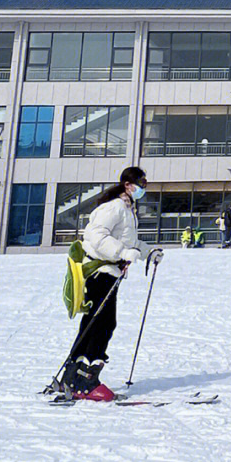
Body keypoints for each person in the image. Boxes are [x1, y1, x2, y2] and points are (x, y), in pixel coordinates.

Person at [60, 167, 161, 401]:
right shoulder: (114, 207)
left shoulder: (127, 209)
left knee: (98, 322)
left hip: (110, 273)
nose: (144, 188)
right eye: (141, 183)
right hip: (99, 271)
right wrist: (122, 252)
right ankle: (85, 379)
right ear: (128, 184)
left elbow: (130, 241)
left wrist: (149, 252)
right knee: (101, 323)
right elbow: (95, 236)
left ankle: (73, 375)